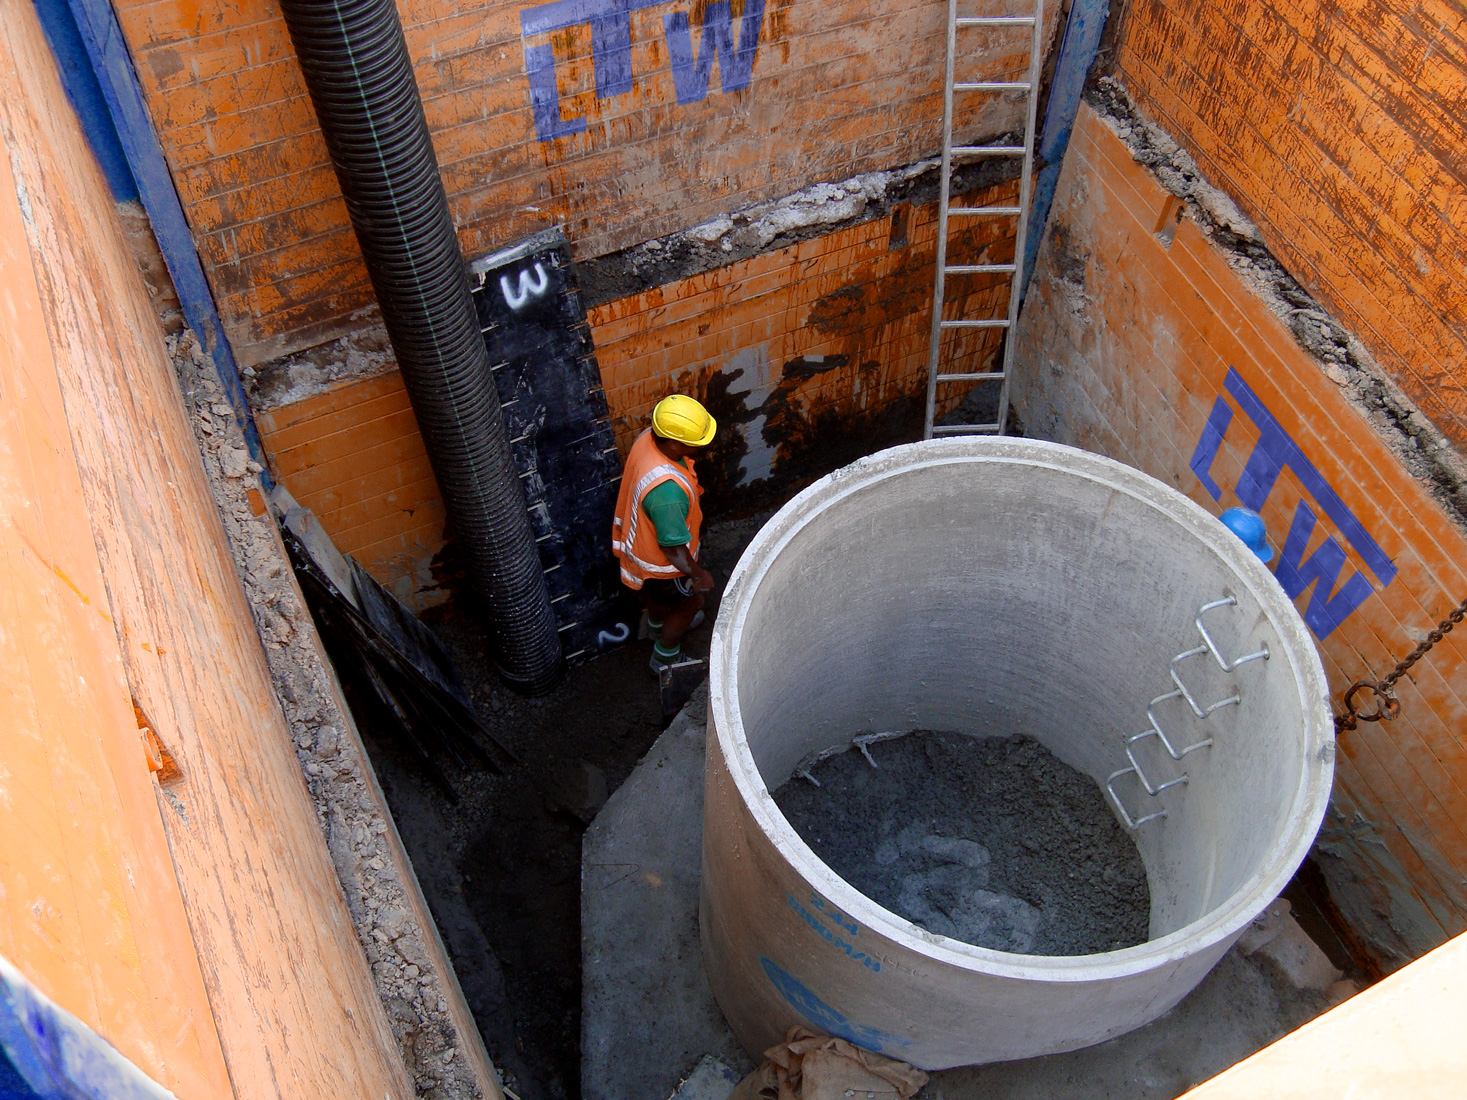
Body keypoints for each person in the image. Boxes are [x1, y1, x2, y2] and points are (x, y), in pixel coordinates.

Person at [612, 394, 718, 673]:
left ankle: (657, 625)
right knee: (690, 603)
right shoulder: (667, 493)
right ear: (673, 443)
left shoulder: (648, 438)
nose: (700, 446)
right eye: (694, 442)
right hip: (663, 567)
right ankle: (665, 657)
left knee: (657, 598)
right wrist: (697, 574)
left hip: (641, 554)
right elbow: (673, 549)